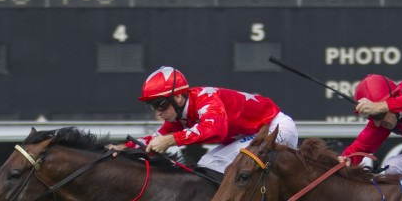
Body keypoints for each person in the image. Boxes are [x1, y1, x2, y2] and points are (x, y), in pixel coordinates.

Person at [111, 66, 298, 173]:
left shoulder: (206, 99)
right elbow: (154, 139)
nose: (158, 112)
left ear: (178, 97)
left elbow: (215, 130)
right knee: (207, 164)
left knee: (212, 163)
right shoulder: (179, 115)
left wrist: (170, 140)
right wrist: (122, 148)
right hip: (254, 133)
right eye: (152, 106)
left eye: (160, 104)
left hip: (276, 128)